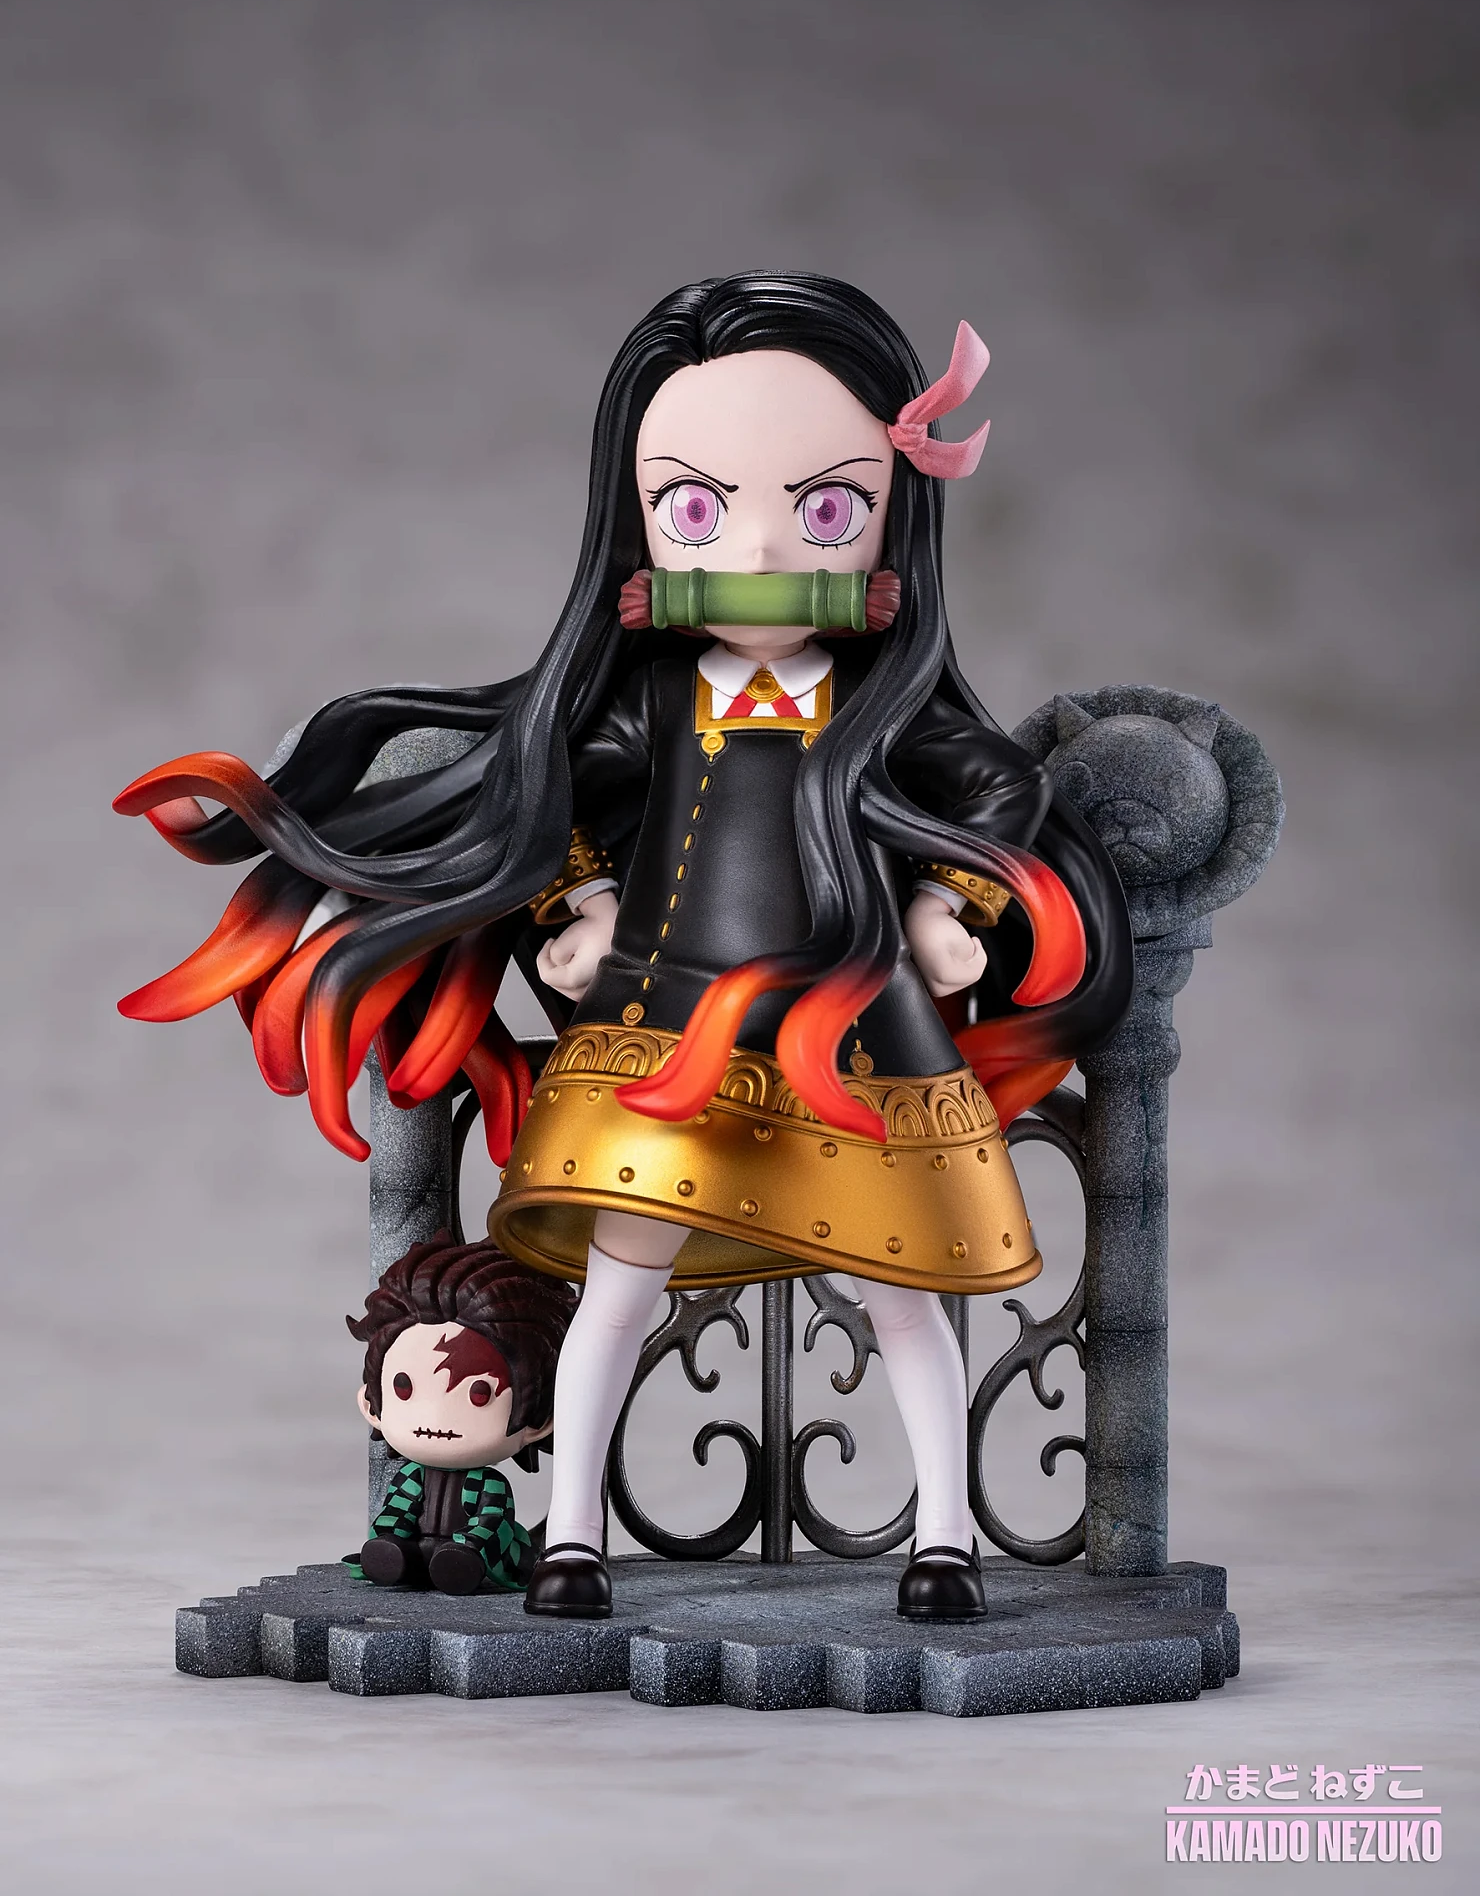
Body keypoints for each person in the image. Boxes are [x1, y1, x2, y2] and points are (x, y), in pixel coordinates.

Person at [115, 271, 1132, 1624]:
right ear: (639, 527)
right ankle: (572, 1531)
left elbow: (1001, 784)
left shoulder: (882, 708)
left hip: (858, 1027)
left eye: (825, 507)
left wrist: (957, 902)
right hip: (662, 1016)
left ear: (897, 519)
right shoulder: (655, 701)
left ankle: (942, 1535)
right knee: (618, 1285)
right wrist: (576, 904)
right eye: (700, 509)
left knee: (900, 1296)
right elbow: (548, 799)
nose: (760, 546)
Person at [347, 1232, 575, 1594]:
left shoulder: (488, 1484)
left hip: (466, 1551)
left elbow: (491, 1521)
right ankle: (395, 1557)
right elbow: (398, 1509)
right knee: (392, 1535)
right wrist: (391, 1533)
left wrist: (471, 1543)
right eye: (404, 1388)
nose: (436, 1416)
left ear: (540, 1419)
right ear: (371, 1402)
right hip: (418, 1549)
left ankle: (460, 1561)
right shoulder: (412, 1476)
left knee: (476, 1548)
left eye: (478, 1395)